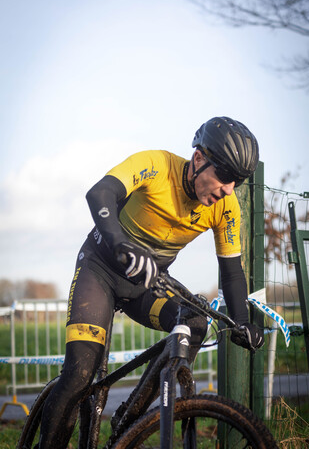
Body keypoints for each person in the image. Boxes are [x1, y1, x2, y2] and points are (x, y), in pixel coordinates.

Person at [37, 116, 264, 448]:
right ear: (198, 159)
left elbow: (231, 272)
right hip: (99, 272)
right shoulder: (156, 165)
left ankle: (130, 416)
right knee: (79, 375)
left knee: (195, 323)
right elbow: (99, 193)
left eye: (237, 182)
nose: (229, 189)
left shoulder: (225, 207)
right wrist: (121, 244)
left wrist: (242, 322)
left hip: (145, 285)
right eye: (225, 177)